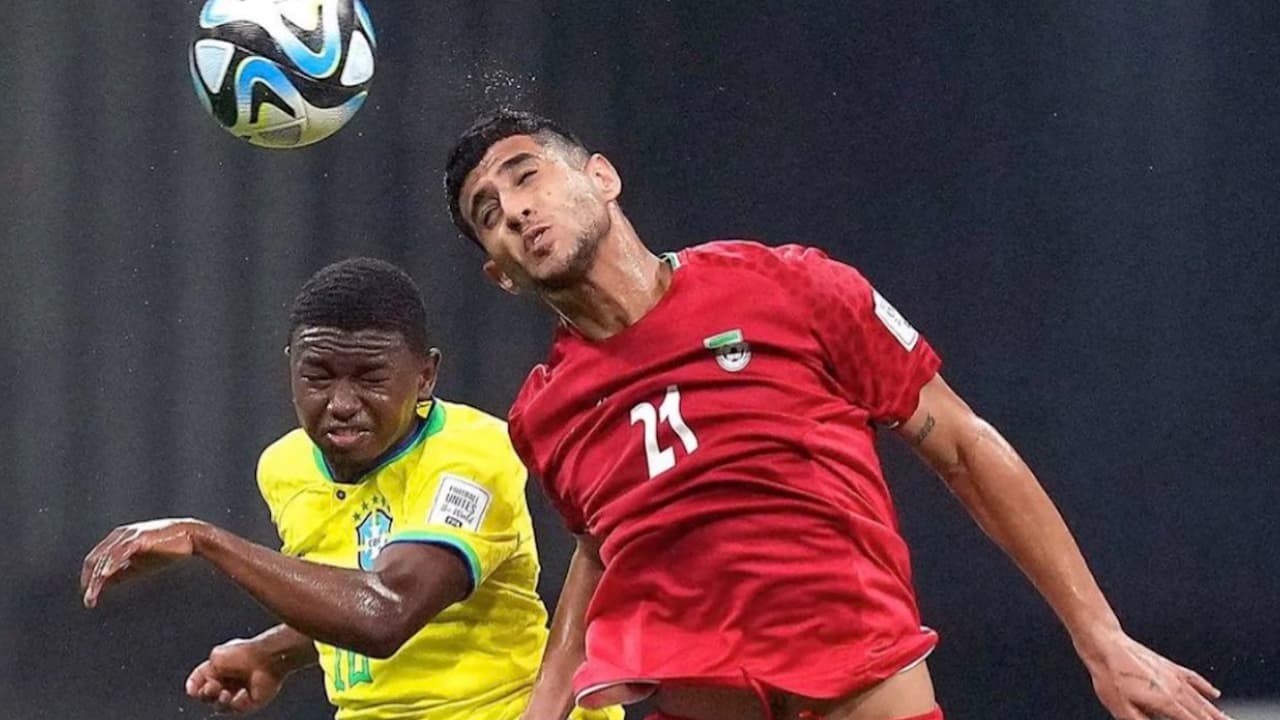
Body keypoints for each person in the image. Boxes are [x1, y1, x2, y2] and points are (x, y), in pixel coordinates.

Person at [442, 109, 1232, 720]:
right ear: (500, 275)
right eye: (488, 212)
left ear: (603, 178)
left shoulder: (789, 287)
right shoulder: (543, 416)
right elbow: (603, 544)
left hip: (867, 690)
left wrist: (1100, 637)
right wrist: (546, 707)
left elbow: (962, 445)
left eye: (527, 175)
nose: (515, 209)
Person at [80, 257, 619, 720]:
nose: (340, 403)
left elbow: (388, 613)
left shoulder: (474, 456)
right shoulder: (286, 467)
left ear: (425, 376)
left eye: (370, 378)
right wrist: (273, 653)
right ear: (290, 370)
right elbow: (350, 592)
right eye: (318, 376)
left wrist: (205, 540)